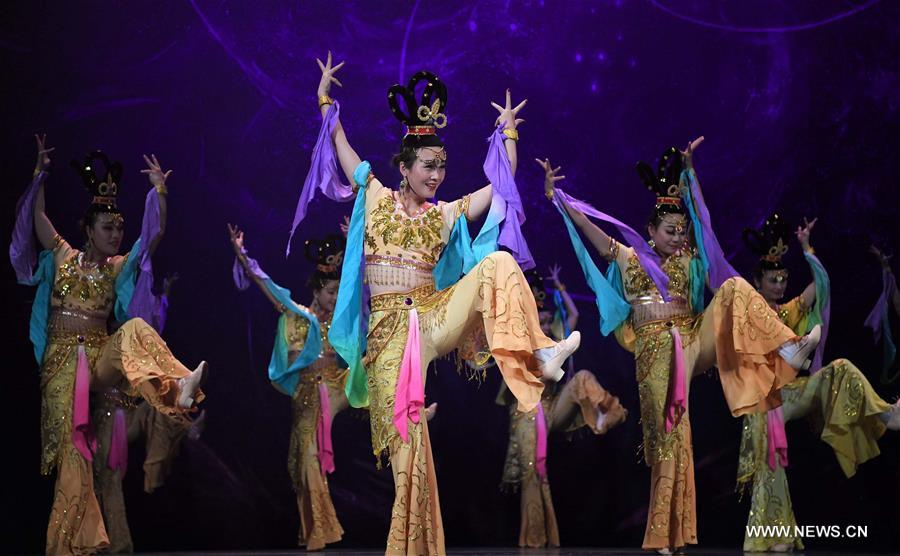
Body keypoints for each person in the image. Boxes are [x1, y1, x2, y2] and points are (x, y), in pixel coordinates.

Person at [10, 136, 207, 555]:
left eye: (119, 227)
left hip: (98, 359)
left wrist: (160, 192)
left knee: (133, 328)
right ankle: (75, 544)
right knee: (76, 455)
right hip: (62, 364)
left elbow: (152, 236)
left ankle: (178, 386)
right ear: (88, 229)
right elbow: (37, 216)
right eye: (108, 228)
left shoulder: (117, 268)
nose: (117, 234)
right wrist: (39, 173)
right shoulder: (62, 255)